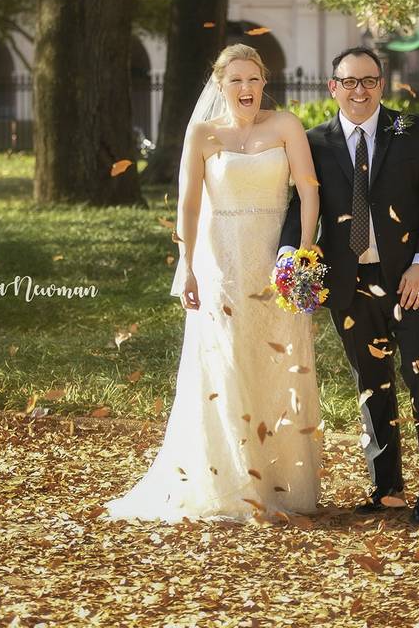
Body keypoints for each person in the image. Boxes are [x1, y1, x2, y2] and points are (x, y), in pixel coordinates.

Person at [105, 44, 322, 523]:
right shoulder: (202, 133)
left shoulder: (285, 125)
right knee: (224, 365)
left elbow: (308, 189)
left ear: (265, 81)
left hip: (274, 260)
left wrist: (302, 254)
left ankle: (277, 482)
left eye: (253, 79)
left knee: (274, 361)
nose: (245, 89)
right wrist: (188, 264)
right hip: (221, 260)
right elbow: (189, 205)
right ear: (220, 86)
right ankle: (227, 483)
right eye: (235, 81)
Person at [279, 46, 419, 525]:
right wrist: (289, 258)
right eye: (350, 81)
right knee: (371, 382)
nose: (360, 91)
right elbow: (300, 208)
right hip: (349, 280)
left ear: (383, 84)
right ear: (332, 87)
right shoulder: (315, 142)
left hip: (411, 279)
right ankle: (386, 487)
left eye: (369, 81)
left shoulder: (412, 130)